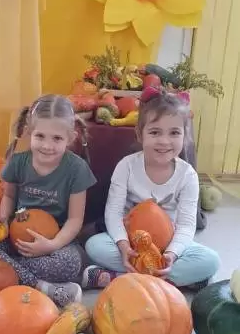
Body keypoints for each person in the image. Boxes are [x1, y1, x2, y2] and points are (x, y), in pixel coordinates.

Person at [0, 94, 97, 307]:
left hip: (55, 240)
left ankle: (4, 270)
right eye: (40, 136)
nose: (47, 145)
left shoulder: (77, 169)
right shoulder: (18, 162)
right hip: (16, 238)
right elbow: (9, 196)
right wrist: (2, 220)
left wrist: (52, 245)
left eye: (57, 139)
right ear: (29, 132)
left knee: (70, 263)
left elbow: (75, 220)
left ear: (71, 137)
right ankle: (42, 286)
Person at [83, 86, 220, 290]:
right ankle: (172, 280)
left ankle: (118, 277)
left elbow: (186, 225)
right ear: (140, 134)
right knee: (94, 246)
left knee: (211, 260)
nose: (164, 141)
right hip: (133, 245)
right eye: (155, 132)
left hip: (169, 243)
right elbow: (113, 213)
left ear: (185, 136)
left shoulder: (188, 175)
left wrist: (172, 253)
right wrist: (123, 245)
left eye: (174, 133)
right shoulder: (126, 166)